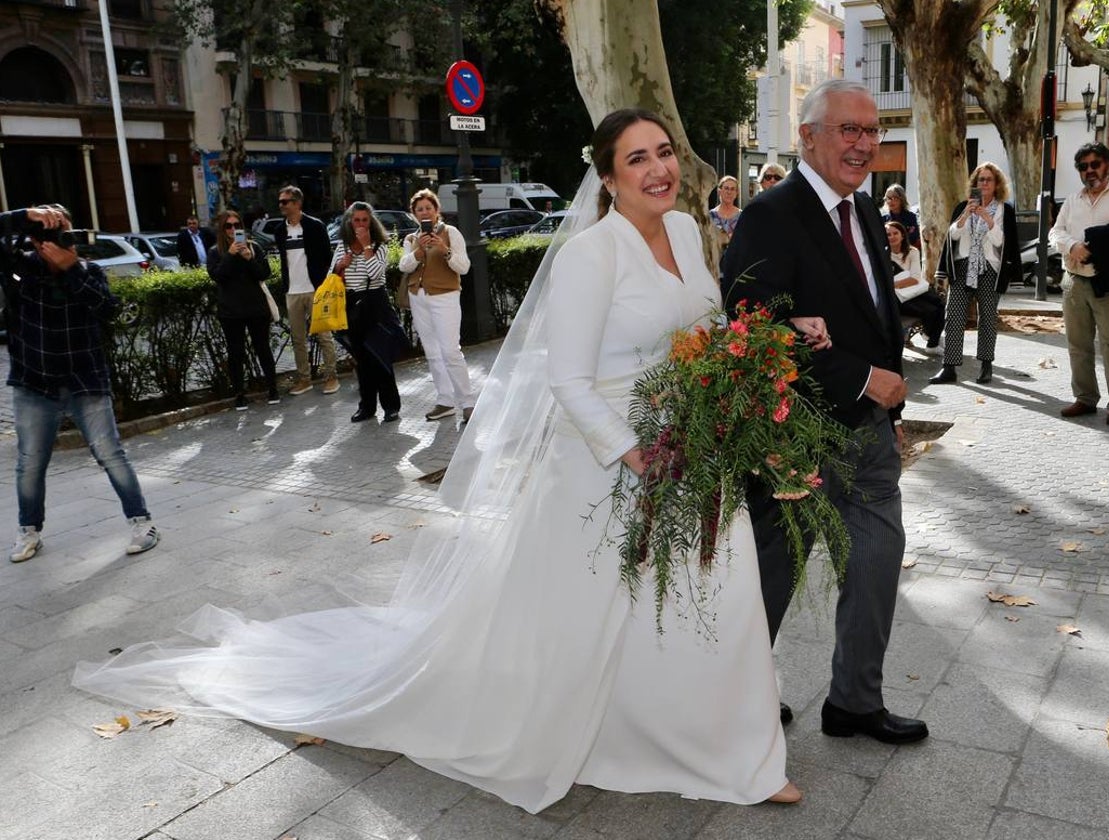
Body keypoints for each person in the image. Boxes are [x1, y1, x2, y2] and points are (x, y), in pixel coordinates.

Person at [75, 108, 808, 812]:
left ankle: (737, 750)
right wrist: (634, 453)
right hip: (611, 463)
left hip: (697, 452)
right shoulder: (590, 254)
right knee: (602, 613)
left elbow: (708, 335)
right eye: (636, 158)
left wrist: (752, 371)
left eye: (664, 152)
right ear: (608, 179)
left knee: (722, 592)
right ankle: (652, 737)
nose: (658, 169)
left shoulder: (686, 232)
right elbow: (568, 380)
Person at [721, 78, 928, 746]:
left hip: (868, 433)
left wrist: (887, 410)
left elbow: (875, 315)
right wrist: (865, 378)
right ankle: (738, 698)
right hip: (794, 436)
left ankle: (855, 703)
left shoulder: (865, 212)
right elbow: (753, 327)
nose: (864, 144)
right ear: (808, 137)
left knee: (876, 559)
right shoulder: (769, 215)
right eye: (849, 130)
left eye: (872, 132)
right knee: (773, 572)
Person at [1, 205, 159, 564]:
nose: (60, 242)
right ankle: (29, 530)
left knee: (110, 454)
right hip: (33, 384)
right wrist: (27, 216)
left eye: (66, 235)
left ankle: (142, 523)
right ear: (36, 241)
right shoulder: (20, 269)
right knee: (30, 462)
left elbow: (107, 309)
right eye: (51, 235)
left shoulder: (88, 272)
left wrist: (71, 269)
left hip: (84, 381)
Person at [1048, 142, 1109, 427]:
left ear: (1108, 165)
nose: (1090, 171)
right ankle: (1086, 398)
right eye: (1083, 166)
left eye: (1094, 164)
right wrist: (1072, 245)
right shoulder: (1073, 200)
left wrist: (1089, 243)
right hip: (1074, 281)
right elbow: (1055, 231)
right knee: (1078, 345)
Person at [929, 162, 1020, 386]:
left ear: (997, 183)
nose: (985, 183)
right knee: (954, 315)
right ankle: (949, 368)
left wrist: (987, 219)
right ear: (975, 184)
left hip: (989, 268)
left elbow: (1001, 242)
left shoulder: (1003, 210)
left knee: (987, 317)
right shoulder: (963, 206)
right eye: (981, 180)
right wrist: (965, 216)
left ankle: (986, 365)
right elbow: (953, 236)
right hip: (963, 267)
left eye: (989, 179)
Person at [397, 190, 477, 423]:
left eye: (428, 208)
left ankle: (468, 402)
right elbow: (404, 266)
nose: (425, 212)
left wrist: (445, 251)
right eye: (419, 209)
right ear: (414, 214)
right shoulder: (411, 239)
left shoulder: (451, 233)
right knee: (432, 352)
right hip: (418, 296)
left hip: (445, 296)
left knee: (451, 351)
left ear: (436, 210)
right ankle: (445, 401)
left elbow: (463, 267)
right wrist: (419, 252)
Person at [331, 202, 402, 423]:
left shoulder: (380, 245)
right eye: (356, 220)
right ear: (349, 223)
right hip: (352, 306)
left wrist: (366, 247)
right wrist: (340, 265)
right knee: (362, 360)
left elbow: (377, 272)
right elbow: (330, 277)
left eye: (365, 220)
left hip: (374, 304)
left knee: (380, 356)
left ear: (371, 223)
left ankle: (391, 406)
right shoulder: (342, 246)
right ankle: (367, 406)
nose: (360, 224)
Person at [207, 209, 278, 411]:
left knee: (262, 348)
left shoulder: (254, 247)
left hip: (256, 308)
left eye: (237, 225)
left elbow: (265, 273)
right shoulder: (215, 252)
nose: (233, 229)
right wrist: (230, 255)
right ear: (222, 229)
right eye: (228, 226)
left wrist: (249, 258)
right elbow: (218, 276)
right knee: (235, 352)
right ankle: (239, 394)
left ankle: (273, 388)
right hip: (231, 311)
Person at [273, 185, 340, 397]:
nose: (281, 205)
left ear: (297, 203)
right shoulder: (279, 230)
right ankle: (304, 379)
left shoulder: (315, 226)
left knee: (324, 335)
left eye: (285, 201)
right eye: (280, 201)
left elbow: (327, 259)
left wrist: (324, 285)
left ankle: (331, 377)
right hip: (292, 291)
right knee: (297, 339)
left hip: (315, 289)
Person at [886, 220, 943, 352]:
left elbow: (916, 278)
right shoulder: (883, 255)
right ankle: (931, 340)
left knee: (939, 303)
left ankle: (930, 339)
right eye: (888, 234)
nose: (892, 237)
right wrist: (903, 283)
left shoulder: (912, 251)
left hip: (915, 290)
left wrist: (896, 283)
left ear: (902, 235)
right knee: (930, 310)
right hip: (898, 297)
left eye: (895, 233)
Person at [881, 184, 920, 250]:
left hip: (907, 252)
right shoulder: (883, 218)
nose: (891, 201)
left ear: (901, 199)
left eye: (895, 198)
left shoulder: (911, 217)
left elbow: (914, 237)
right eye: (888, 198)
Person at [709, 175, 741, 249]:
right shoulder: (710, 216)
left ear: (736, 193)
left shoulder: (742, 216)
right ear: (719, 191)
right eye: (726, 188)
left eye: (732, 189)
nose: (729, 192)